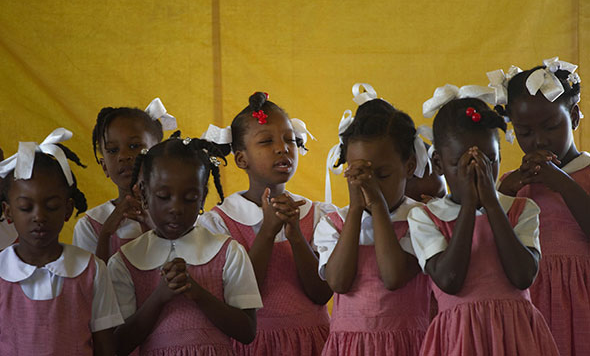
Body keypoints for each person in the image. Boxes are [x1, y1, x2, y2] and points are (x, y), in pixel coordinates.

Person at [409, 86, 559, 355]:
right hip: (458, 339)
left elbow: (523, 276)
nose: (479, 173)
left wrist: (491, 202)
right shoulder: (425, 217)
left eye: (490, 161)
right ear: (439, 164)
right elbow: (449, 280)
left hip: (517, 337)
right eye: (462, 164)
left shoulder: (522, 209)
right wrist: (468, 205)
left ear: (501, 156)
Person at [199, 92, 334, 356]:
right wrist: (269, 231)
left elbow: (320, 294)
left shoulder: (315, 215)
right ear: (241, 159)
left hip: (312, 344)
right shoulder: (221, 223)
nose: (282, 148)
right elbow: (238, 298)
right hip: (252, 346)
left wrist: (295, 235)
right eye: (266, 141)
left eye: (289, 140)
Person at [108, 134, 262, 355]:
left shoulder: (227, 252)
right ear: (143, 193)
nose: (176, 208)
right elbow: (118, 345)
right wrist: (159, 297)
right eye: (163, 196)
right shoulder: (126, 261)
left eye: (189, 198)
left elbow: (247, 332)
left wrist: (197, 292)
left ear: (202, 198)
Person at [315, 87, 431, 355]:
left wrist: (377, 206)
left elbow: (393, 276)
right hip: (350, 347)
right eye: (360, 174)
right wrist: (355, 209)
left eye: (382, 174)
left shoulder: (422, 219)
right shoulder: (335, 223)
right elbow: (338, 283)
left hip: (408, 345)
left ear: (410, 166)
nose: (370, 184)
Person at [493, 57, 590, 356]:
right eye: (524, 132)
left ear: (573, 117)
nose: (538, 140)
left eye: (550, 127)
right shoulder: (512, 183)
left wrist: (561, 182)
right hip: (529, 304)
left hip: (583, 300)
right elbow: (493, 245)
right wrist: (505, 193)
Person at [0, 128, 123, 355]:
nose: (39, 216)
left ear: (68, 209)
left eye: (52, 206)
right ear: (8, 212)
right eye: (26, 208)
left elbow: (105, 347)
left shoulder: (92, 270)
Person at [73, 97, 175, 261]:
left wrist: (155, 228)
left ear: (159, 156)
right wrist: (106, 233)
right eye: (113, 150)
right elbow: (91, 284)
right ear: (104, 166)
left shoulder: (180, 211)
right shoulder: (92, 224)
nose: (124, 156)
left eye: (135, 146)